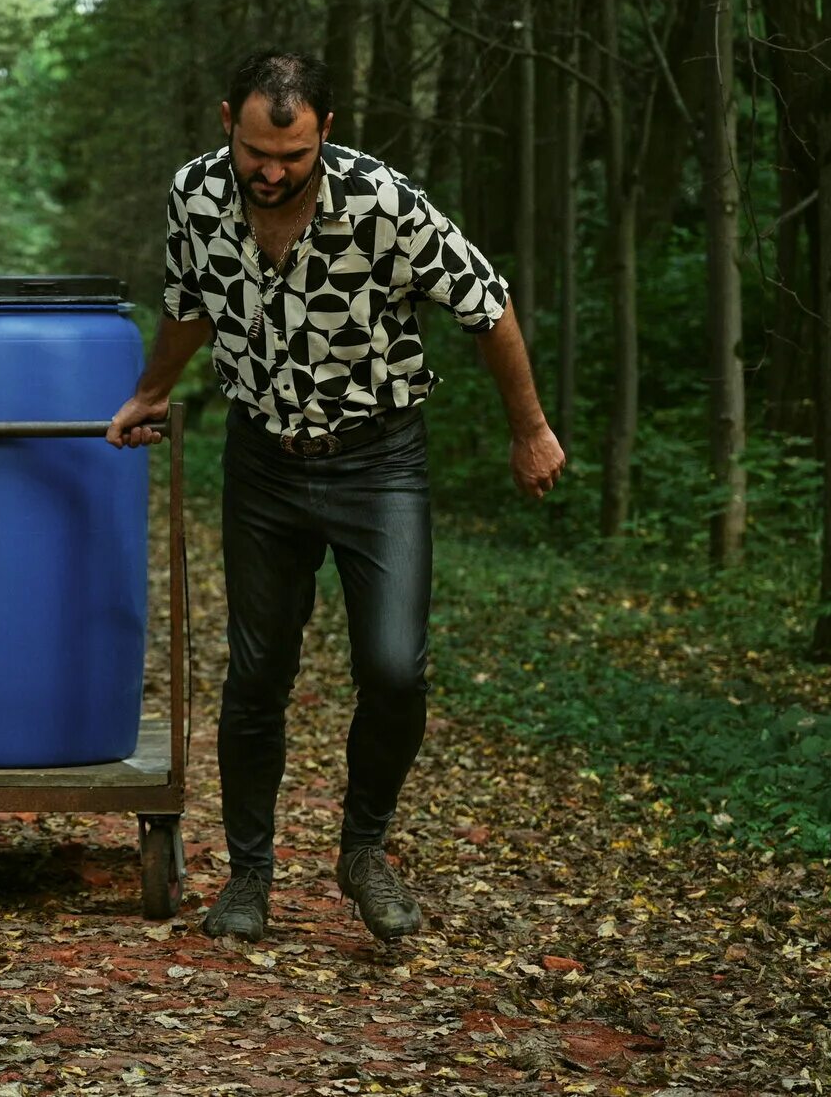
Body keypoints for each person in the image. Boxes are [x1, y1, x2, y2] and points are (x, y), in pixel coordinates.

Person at [107, 49, 564, 944]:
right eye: (255, 153)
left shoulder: (382, 202)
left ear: (326, 132)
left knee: (393, 668)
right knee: (257, 674)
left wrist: (531, 429)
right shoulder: (195, 195)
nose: (272, 173)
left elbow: (487, 303)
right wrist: (153, 389)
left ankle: (364, 851)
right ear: (227, 121)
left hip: (378, 461)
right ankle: (249, 876)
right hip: (263, 464)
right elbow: (190, 304)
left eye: (294, 156)